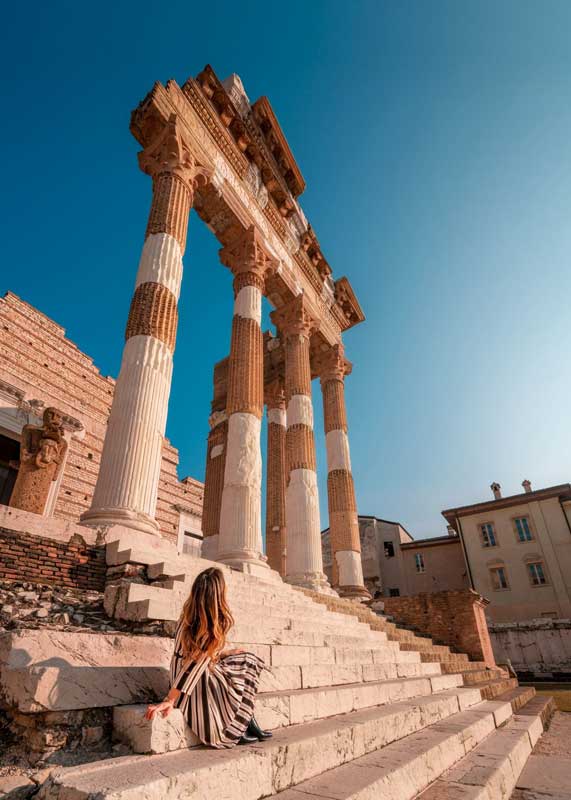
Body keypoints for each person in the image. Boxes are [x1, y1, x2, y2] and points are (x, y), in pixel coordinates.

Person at [145, 566, 272, 748]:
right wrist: (170, 699)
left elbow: (198, 657)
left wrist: (226, 653)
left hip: (182, 673)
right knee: (247, 662)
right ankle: (240, 726)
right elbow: (194, 664)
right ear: (218, 595)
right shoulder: (212, 622)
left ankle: (248, 722)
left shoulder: (187, 613)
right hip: (190, 684)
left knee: (243, 655)